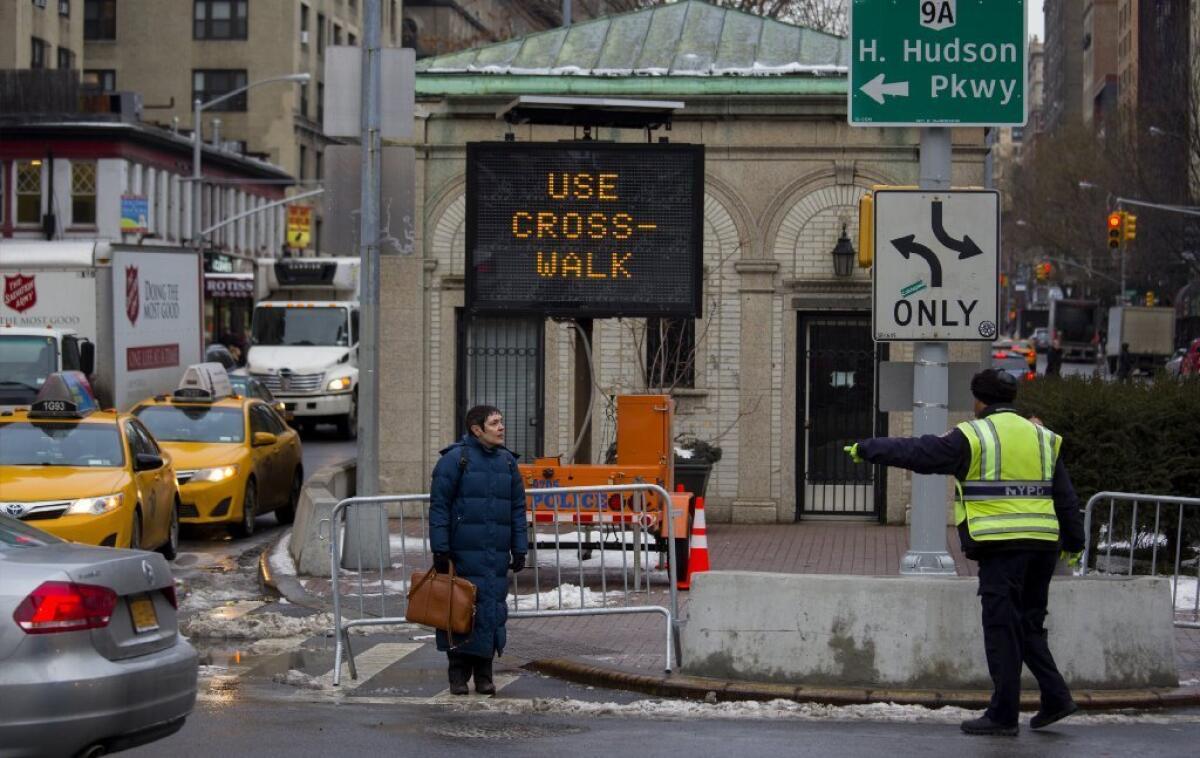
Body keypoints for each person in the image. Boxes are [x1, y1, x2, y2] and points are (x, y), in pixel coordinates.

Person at [845, 368, 1085, 736]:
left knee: (1002, 628)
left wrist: (869, 448)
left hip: (1001, 546)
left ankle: (1003, 715)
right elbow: (1065, 495)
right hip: (1042, 547)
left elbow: (919, 452)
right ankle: (1055, 697)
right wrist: (1074, 541)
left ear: (978, 401)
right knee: (1029, 625)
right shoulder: (1042, 437)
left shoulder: (974, 435)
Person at [429, 405, 528, 696]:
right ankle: (457, 674)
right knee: (459, 610)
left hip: (495, 554)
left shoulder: (508, 462)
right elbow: (439, 507)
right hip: (461, 553)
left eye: (501, 422)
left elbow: (517, 508)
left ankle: (484, 674)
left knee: (492, 612)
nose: (501, 427)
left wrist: (519, 547)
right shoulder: (453, 460)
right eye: (495, 423)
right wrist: (441, 550)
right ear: (476, 429)